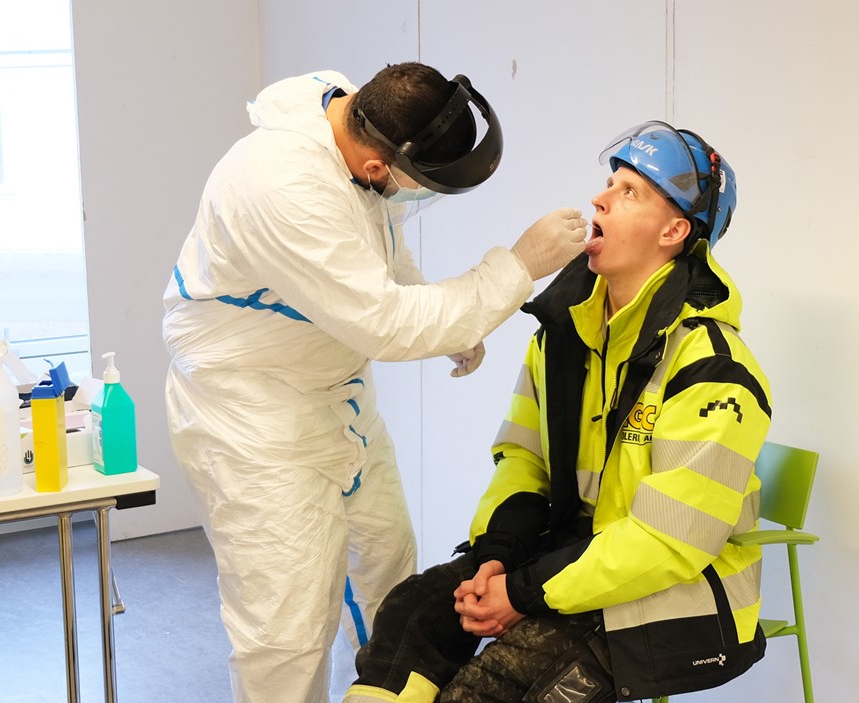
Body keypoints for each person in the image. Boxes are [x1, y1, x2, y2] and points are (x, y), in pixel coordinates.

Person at [162, 62, 588, 703]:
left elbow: (376, 257)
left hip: (337, 400)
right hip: (254, 419)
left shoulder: (353, 114)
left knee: (390, 573)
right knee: (287, 625)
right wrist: (519, 266)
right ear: (375, 168)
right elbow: (385, 325)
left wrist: (452, 323)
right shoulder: (280, 185)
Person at [342, 121, 770, 703]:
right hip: (572, 562)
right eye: (609, 183)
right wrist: (497, 558)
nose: (600, 199)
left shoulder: (712, 368)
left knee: (498, 683)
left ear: (674, 230)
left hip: (682, 593)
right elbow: (524, 460)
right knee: (412, 616)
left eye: (630, 192)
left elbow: (669, 542)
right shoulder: (561, 336)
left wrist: (524, 594)